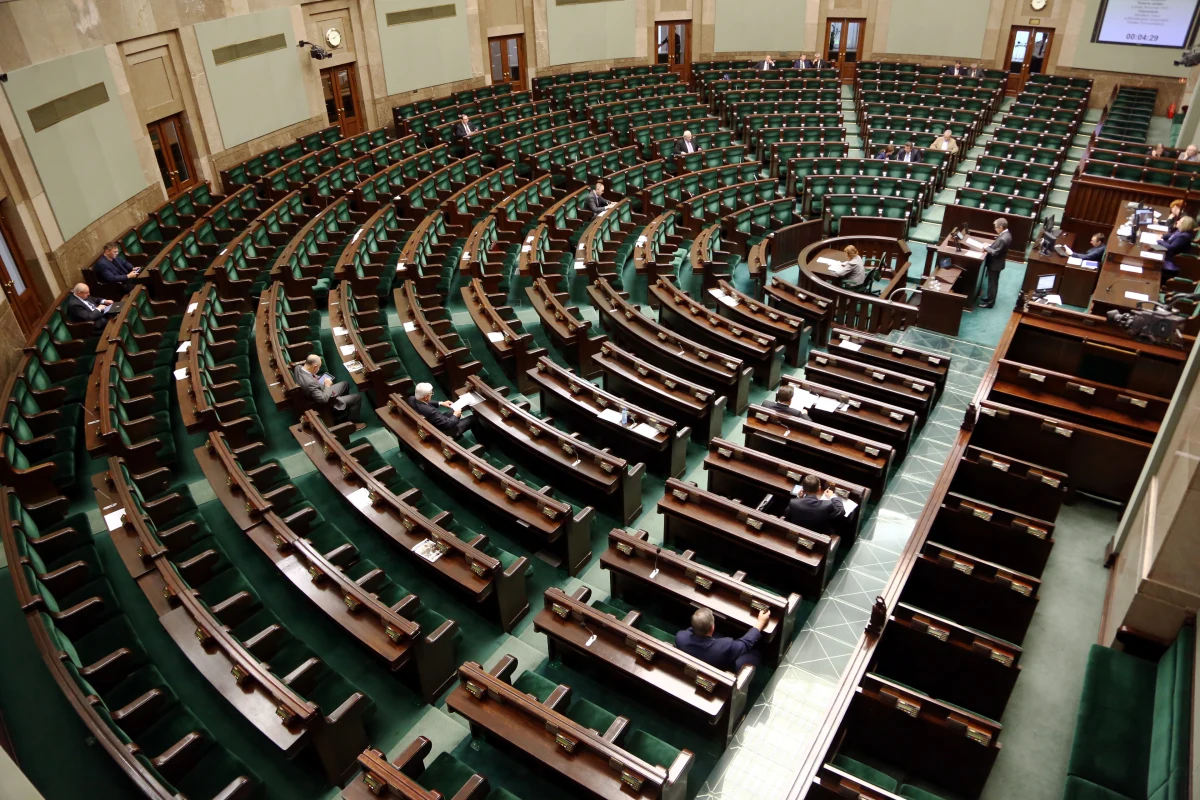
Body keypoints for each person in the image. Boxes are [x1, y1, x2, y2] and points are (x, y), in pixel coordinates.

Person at [675, 607, 770, 672]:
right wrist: (761, 622)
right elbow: (745, 643)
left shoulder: (680, 637)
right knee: (755, 653)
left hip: (700, 662)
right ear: (712, 627)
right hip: (723, 669)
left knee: (718, 635)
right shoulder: (725, 646)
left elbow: (692, 629)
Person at [294, 354, 365, 429]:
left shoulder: (298, 368)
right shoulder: (310, 383)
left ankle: (340, 412)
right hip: (323, 402)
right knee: (357, 398)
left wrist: (320, 379)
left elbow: (311, 376)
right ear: (314, 366)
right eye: (319, 367)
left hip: (319, 389)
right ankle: (352, 425)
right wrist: (327, 385)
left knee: (345, 384)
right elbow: (322, 399)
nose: (319, 369)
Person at [407, 382, 474, 439]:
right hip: (444, 431)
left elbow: (423, 402)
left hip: (436, 421)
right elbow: (447, 424)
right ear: (426, 397)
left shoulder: (411, 399)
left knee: (454, 409)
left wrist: (441, 403)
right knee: (473, 419)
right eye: (431, 394)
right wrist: (455, 415)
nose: (432, 395)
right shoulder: (431, 412)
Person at [978, 218, 1012, 308]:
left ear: (1001, 227)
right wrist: (990, 246)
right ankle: (989, 298)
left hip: (995, 264)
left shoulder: (1003, 238)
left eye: (996, 227)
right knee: (992, 283)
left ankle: (990, 303)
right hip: (997, 263)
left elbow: (995, 253)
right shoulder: (1006, 234)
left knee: (992, 284)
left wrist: (986, 247)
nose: (995, 229)